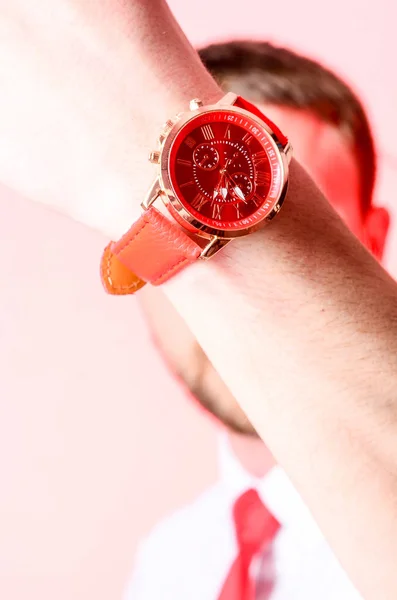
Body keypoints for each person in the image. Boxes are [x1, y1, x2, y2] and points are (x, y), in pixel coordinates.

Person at [2, 2, 397, 599]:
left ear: (369, 242)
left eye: (312, 239)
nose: (235, 291)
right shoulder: (167, 561)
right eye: (174, 219)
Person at [126, 41, 390, 599]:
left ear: (371, 242)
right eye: (190, 234)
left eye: (292, 249)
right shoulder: (166, 565)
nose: (244, 302)